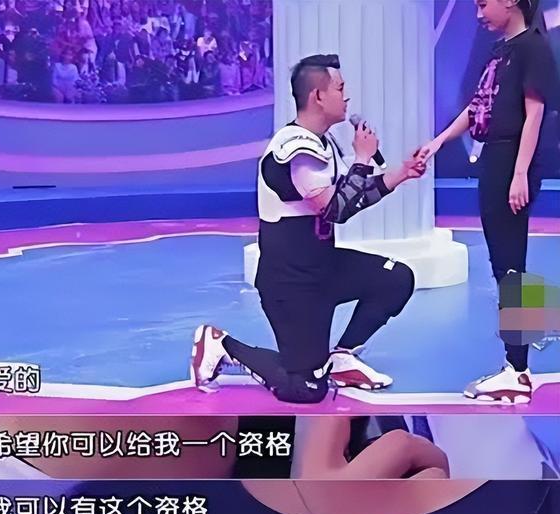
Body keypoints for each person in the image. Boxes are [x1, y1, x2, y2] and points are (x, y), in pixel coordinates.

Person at [190, 54, 427, 404]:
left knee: (396, 278)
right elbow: (336, 209)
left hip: (323, 266)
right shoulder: (294, 149)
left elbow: (352, 196)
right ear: (318, 96)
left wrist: (401, 174)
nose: (347, 97)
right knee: (306, 389)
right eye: (340, 88)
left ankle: (341, 356)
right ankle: (222, 345)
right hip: (291, 281)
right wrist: (363, 159)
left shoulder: (323, 143)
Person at [418, 0, 560, 404]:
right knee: (506, 264)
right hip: (495, 160)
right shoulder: (501, 49)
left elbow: (535, 114)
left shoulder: (533, 46)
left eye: (483, 3)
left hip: (511, 161)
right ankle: (523, 355)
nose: (478, 13)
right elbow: (478, 105)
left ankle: (518, 370)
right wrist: (438, 142)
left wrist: (520, 173)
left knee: (511, 264)